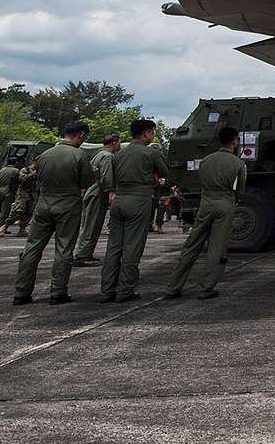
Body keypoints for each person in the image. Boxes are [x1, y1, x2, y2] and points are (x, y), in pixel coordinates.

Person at [12, 122, 97, 305]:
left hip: (43, 203)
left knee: (32, 248)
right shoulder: (79, 155)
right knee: (64, 248)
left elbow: (37, 177)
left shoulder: (45, 155)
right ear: (81, 135)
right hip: (68, 204)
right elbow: (86, 182)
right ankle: (58, 291)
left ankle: (22, 292)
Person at [164, 126, 244, 300]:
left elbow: (200, 180)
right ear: (234, 141)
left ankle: (173, 286)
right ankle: (207, 287)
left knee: (192, 245)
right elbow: (240, 189)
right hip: (225, 203)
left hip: (206, 203)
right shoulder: (238, 163)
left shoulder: (206, 160)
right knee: (217, 247)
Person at [101, 119, 170, 302]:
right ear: (146, 133)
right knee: (132, 247)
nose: (153, 135)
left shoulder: (117, 155)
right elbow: (165, 172)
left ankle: (107, 290)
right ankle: (125, 290)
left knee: (114, 247)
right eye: (152, 132)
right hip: (139, 201)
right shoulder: (150, 152)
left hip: (118, 201)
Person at [73, 135, 120, 266]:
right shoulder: (108, 156)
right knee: (93, 225)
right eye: (119, 142)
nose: (120, 145)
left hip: (92, 191)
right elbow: (106, 176)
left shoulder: (98, 155)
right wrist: (111, 191)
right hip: (98, 193)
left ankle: (83, 252)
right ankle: (83, 255)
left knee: (88, 224)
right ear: (114, 142)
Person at [1, 158, 39, 237]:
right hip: (22, 193)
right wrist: (34, 173)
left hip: (33, 194)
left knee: (29, 212)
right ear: (33, 162)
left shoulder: (40, 171)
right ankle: (6, 225)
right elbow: (23, 179)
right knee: (19, 210)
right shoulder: (25, 170)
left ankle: (22, 229)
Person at [0, 159, 21, 232]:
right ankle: (1, 228)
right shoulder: (15, 170)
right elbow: (18, 180)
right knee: (4, 211)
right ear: (15, 163)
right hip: (7, 191)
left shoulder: (2, 170)